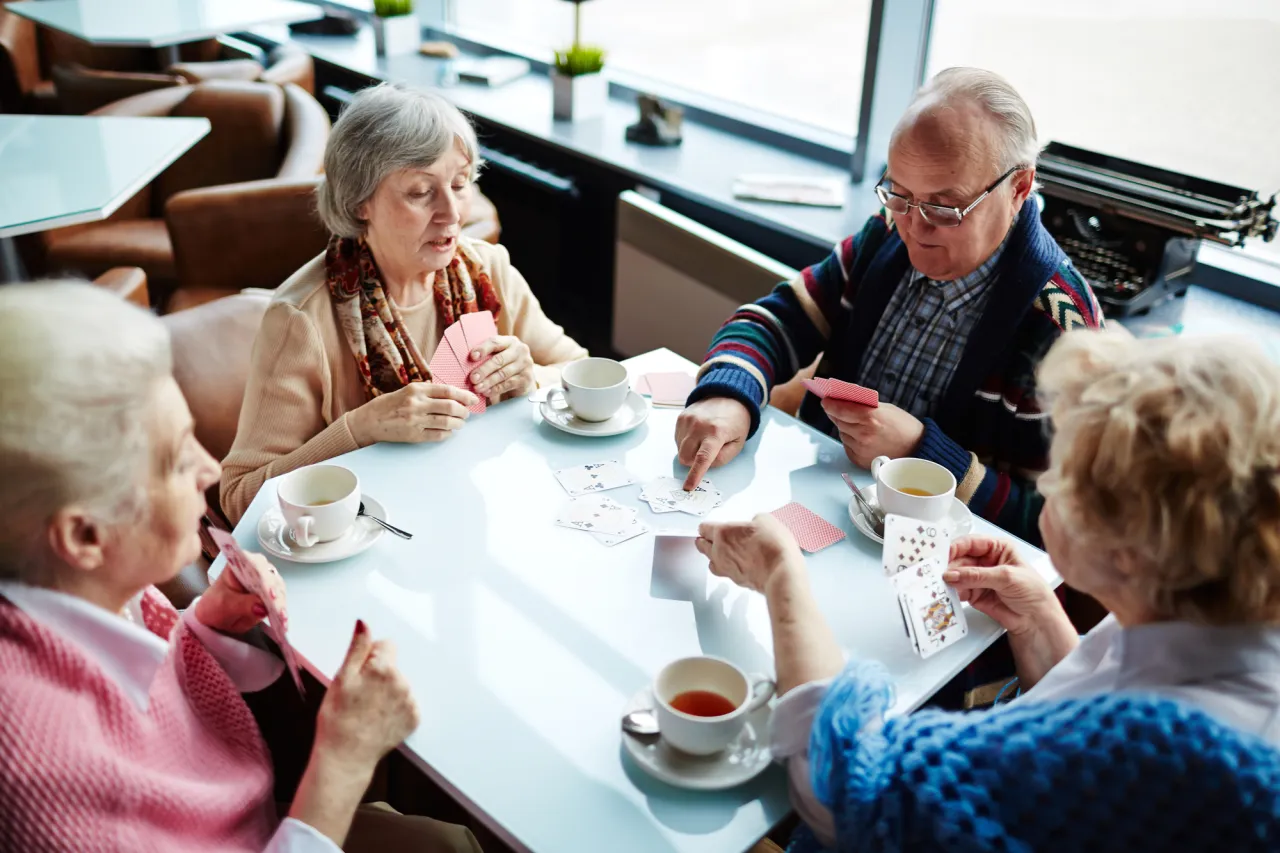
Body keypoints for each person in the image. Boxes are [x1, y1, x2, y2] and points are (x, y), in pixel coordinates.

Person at [696, 328, 1280, 852]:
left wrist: (781, 576)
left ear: (1129, 551)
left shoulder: (1167, 750)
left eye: (1064, 473)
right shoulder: (1199, 626)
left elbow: (850, 791)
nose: (1046, 482)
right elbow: (1092, 736)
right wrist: (1043, 629)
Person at [0, 283, 481, 852]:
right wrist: (344, 759)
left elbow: (127, 678)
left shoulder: (82, 586)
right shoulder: (40, 766)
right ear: (83, 534)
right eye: (179, 459)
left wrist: (206, 624)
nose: (209, 470)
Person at [676, 67, 1104, 545]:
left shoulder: (1064, 328)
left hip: (951, 574)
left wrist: (925, 455)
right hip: (816, 514)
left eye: (945, 209)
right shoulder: (885, 233)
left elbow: (1068, 529)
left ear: (1019, 187)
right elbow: (777, 320)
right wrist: (728, 394)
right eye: (899, 194)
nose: (915, 230)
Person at [220, 83, 587, 524]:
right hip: (373, 540)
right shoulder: (301, 320)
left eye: (460, 183)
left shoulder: (487, 268)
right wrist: (359, 429)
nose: (453, 213)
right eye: (419, 191)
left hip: (479, 507)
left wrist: (531, 379)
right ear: (360, 203)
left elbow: (579, 371)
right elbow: (241, 496)